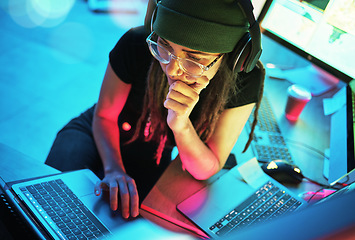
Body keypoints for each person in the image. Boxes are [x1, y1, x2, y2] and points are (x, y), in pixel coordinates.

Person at [45, 0, 265, 220]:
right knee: (56, 204)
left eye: (194, 59)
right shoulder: (136, 43)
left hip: (152, 156)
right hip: (98, 133)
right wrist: (113, 169)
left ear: (234, 55)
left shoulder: (244, 79)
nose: (172, 69)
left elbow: (206, 168)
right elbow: (104, 116)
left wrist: (181, 125)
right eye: (164, 45)